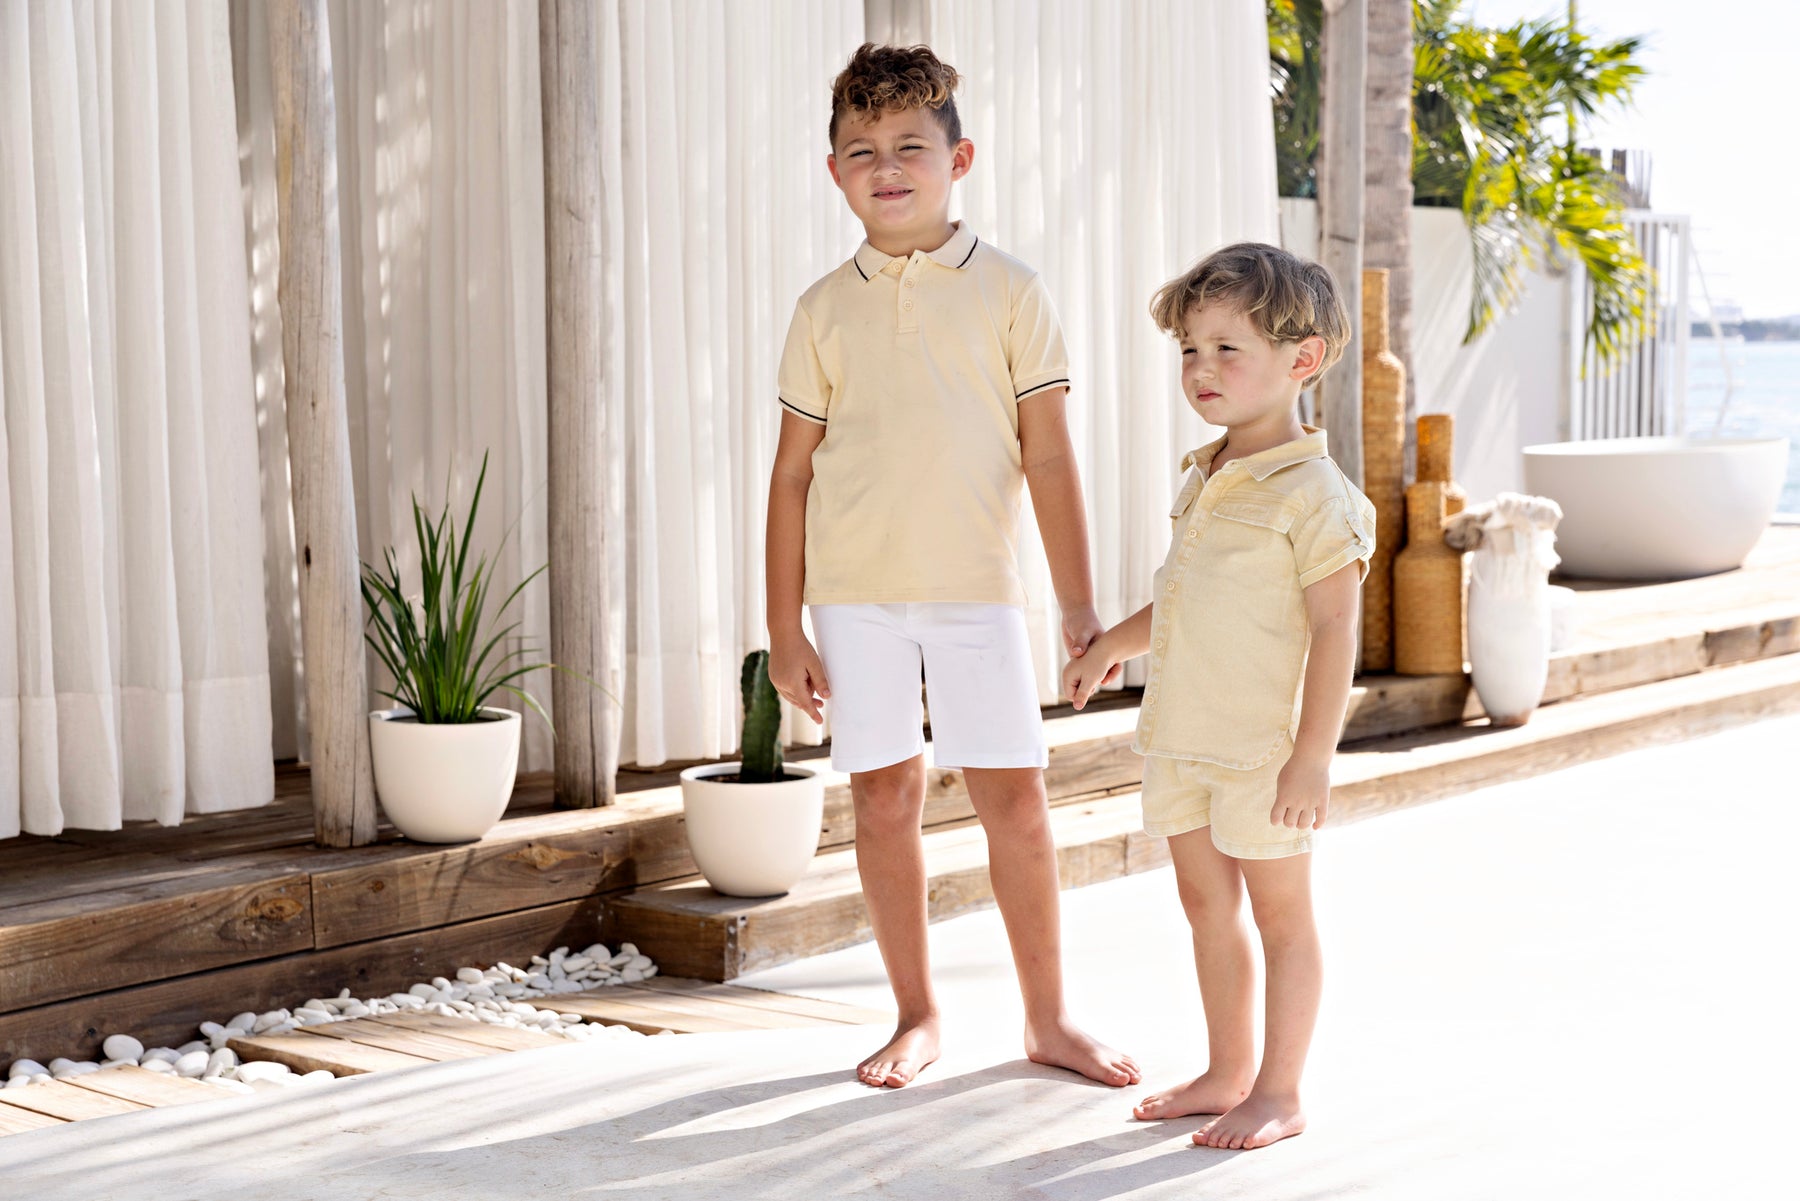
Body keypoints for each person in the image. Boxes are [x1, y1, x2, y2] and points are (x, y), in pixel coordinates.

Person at [765, 42, 1138, 1092]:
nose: (886, 167)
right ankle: (917, 1012)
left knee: (1015, 799)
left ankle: (1049, 1017)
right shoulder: (820, 309)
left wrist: (1078, 604)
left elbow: (1048, 454)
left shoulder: (1012, 290)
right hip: (854, 597)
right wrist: (784, 627)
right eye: (862, 150)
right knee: (884, 799)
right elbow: (791, 474)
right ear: (834, 171)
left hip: (978, 589)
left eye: (910, 146)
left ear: (958, 158)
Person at [1063, 242, 1375, 1149]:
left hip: (1262, 754)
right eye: (1191, 349)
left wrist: (1313, 757)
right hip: (1181, 739)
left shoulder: (1317, 496)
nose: (1202, 367)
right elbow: (1183, 596)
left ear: (1303, 359)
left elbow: (1334, 630)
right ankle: (1227, 1069)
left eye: (1228, 348)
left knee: (1282, 919)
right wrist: (1111, 647)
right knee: (1206, 909)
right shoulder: (1208, 473)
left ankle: (1280, 1090)